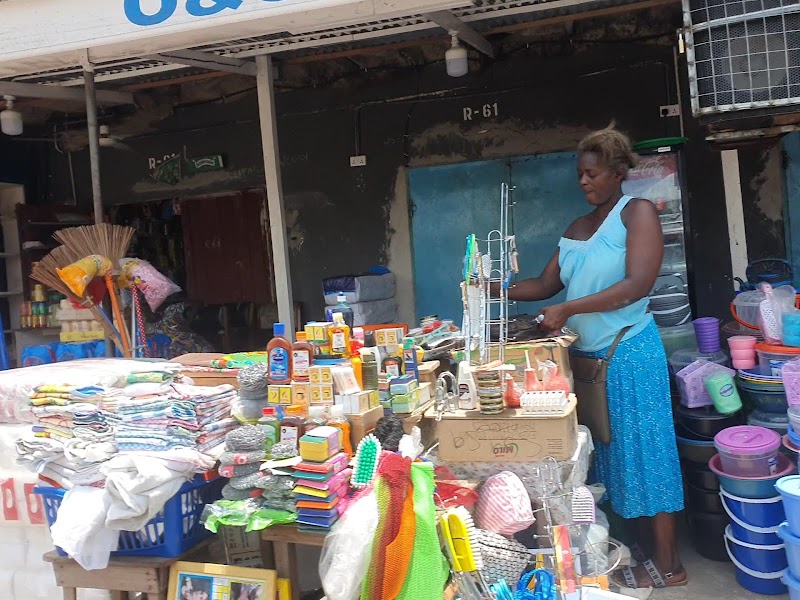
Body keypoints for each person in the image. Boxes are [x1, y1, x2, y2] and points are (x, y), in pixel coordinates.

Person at [505, 125, 685, 589]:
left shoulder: (636, 213)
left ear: (618, 172)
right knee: (610, 457)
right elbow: (545, 286)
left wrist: (568, 309)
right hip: (586, 361)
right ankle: (638, 548)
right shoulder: (576, 229)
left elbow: (637, 284)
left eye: (593, 173)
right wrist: (491, 288)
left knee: (647, 456)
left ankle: (669, 563)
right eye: (580, 175)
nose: (584, 182)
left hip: (629, 354)